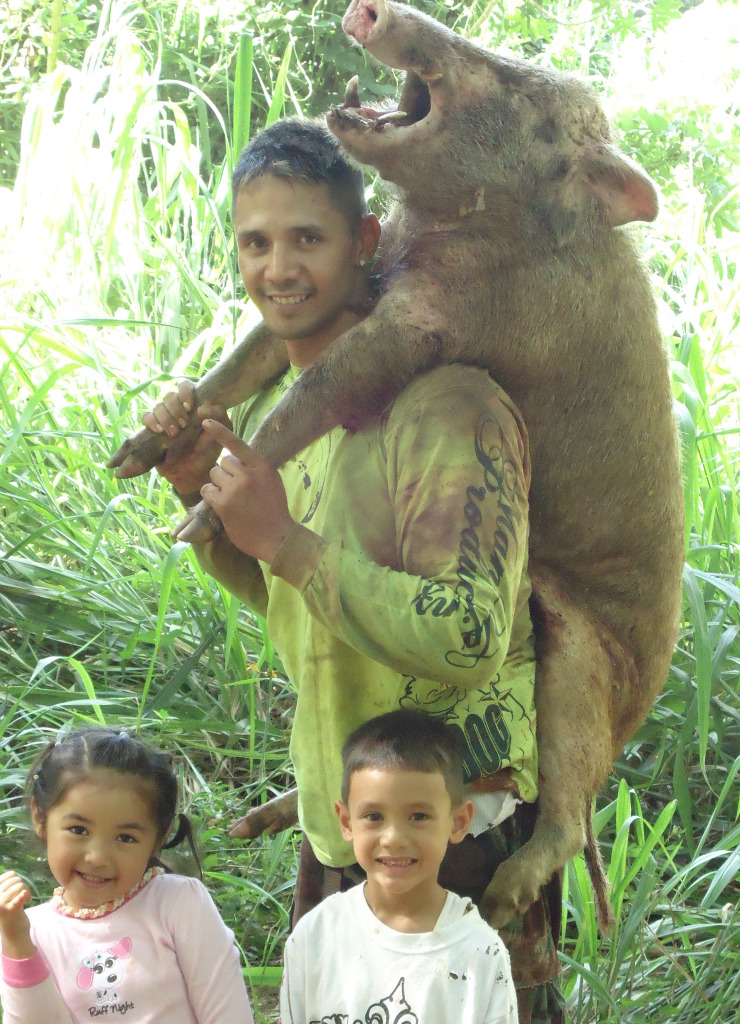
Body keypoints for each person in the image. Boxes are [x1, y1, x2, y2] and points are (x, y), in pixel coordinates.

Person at [144, 116, 564, 1024]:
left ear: (365, 241)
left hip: (457, 835)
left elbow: (470, 638)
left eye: (307, 238)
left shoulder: (449, 407)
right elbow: (301, 601)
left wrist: (287, 540)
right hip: (344, 824)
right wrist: (233, 530)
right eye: (256, 243)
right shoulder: (290, 418)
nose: (280, 270)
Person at [0, 726, 254, 1024]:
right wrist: (16, 943)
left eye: (125, 838)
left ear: (158, 837)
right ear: (39, 817)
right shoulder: (31, 930)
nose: (97, 856)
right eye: (78, 830)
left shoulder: (178, 904)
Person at [280, 708, 518, 1024]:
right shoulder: (315, 936)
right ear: (347, 822)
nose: (393, 838)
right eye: (374, 817)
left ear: (458, 822)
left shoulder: (480, 954)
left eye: (418, 817)